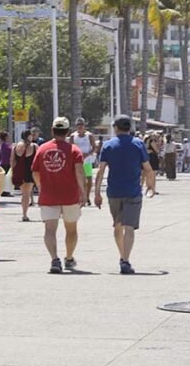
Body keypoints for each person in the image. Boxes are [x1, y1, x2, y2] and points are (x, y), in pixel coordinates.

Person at [94, 115, 156, 275]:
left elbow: (100, 171)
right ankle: (125, 260)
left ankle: (122, 255)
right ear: (130, 128)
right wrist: (151, 185)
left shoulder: (108, 145)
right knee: (129, 228)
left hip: (114, 192)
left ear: (115, 127)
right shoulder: (138, 144)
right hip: (133, 191)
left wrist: (96, 193)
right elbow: (147, 168)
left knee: (117, 225)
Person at [33, 117, 86, 273]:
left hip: (49, 195)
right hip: (70, 195)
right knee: (71, 229)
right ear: (68, 131)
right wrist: (83, 192)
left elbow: (35, 171)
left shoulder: (42, 149)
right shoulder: (74, 150)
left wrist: (40, 187)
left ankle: (54, 259)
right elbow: (79, 172)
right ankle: (69, 258)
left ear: (52, 130)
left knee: (49, 230)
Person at [10, 129, 37, 221]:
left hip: (20, 172)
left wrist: (14, 172)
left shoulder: (16, 146)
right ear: (29, 136)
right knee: (28, 193)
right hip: (30, 172)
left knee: (24, 194)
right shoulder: (34, 146)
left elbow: (12, 161)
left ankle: (24, 214)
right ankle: (26, 215)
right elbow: (38, 159)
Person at [70, 118, 96, 206]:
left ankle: (87, 196)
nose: (80, 126)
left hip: (87, 160)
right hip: (77, 161)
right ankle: (80, 196)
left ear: (84, 126)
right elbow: (70, 148)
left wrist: (88, 154)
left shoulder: (89, 135)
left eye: (81, 124)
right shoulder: (73, 136)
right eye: (78, 125)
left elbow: (94, 147)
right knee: (79, 180)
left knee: (89, 180)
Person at [0, 131, 13, 196]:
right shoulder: (5, 145)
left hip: (4, 163)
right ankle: (5, 191)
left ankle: (5, 191)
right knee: (6, 178)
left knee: (5, 178)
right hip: (6, 163)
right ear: (5, 137)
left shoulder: (3, 145)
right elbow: (11, 150)